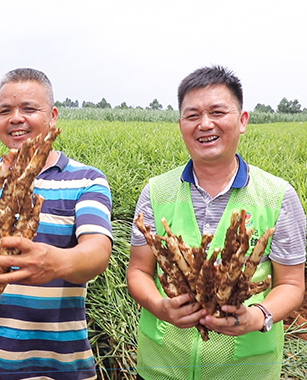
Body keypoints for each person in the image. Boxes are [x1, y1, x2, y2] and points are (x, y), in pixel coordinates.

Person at [128, 66, 306, 379]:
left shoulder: (278, 195)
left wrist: (257, 317)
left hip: (246, 371)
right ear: (181, 123)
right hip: (162, 368)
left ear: (242, 120)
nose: (205, 124)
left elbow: (291, 283)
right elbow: (140, 270)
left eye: (217, 112)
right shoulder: (156, 191)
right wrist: (159, 306)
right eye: (192, 115)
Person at [0, 68, 113, 380]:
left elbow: (97, 252)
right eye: (5, 110)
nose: (16, 118)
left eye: (29, 109)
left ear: (53, 116)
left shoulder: (86, 179)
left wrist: (57, 262)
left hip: (60, 367)